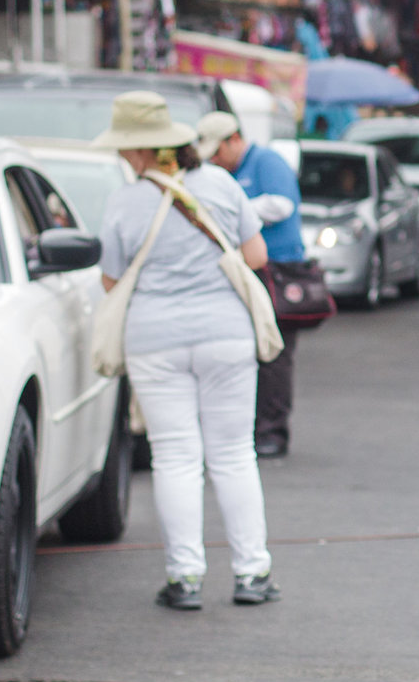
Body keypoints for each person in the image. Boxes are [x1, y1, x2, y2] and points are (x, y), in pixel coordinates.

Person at [94, 93, 280, 613]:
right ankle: (251, 572)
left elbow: (111, 282)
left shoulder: (123, 202)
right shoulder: (219, 184)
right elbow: (256, 254)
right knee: (234, 452)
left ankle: (185, 578)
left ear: (136, 152)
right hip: (225, 333)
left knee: (175, 457)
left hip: (154, 340)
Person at [199, 110, 304, 459]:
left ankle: (273, 430)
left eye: (218, 152)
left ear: (234, 139)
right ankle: (249, 427)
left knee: (274, 351)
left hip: (276, 268)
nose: (215, 161)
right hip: (247, 268)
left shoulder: (266, 161)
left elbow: (281, 204)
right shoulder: (228, 172)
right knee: (249, 349)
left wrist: (235, 210)